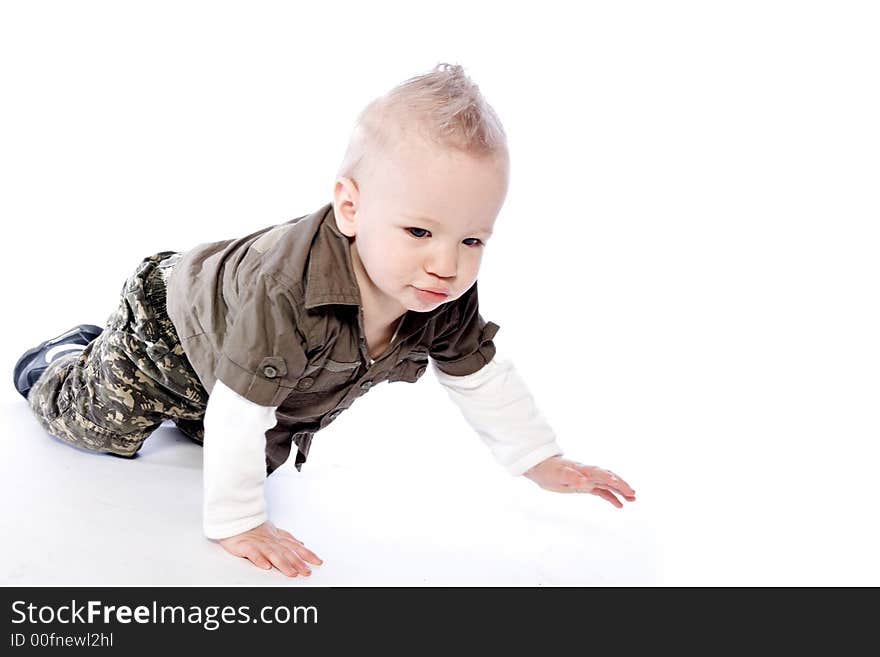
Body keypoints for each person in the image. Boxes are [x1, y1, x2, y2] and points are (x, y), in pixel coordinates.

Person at [14, 63, 636, 578]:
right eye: (419, 231)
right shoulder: (287, 291)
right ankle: (66, 359)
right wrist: (239, 523)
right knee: (101, 427)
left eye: (473, 239)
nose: (447, 263)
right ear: (350, 207)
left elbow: (482, 377)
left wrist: (539, 459)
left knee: (237, 449)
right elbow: (239, 408)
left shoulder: (437, 291)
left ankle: (186, 401)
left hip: (250, 368)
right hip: (171, 330)